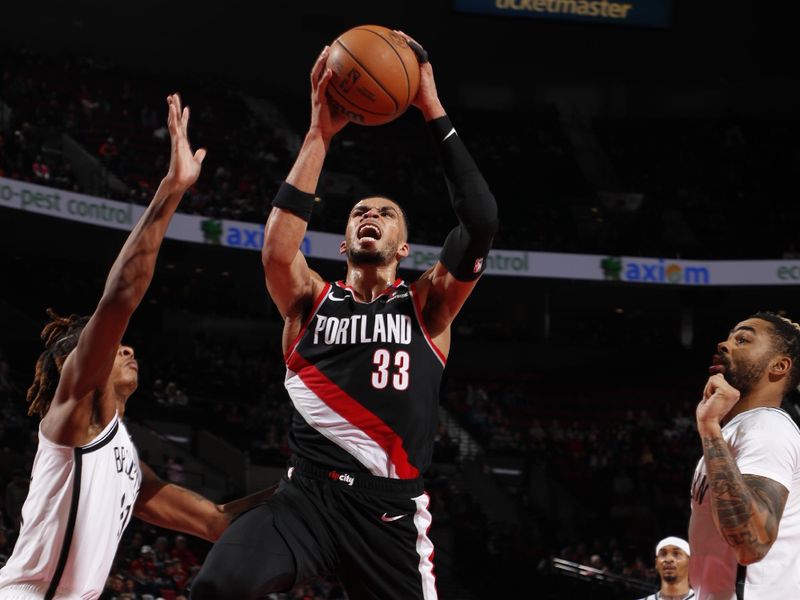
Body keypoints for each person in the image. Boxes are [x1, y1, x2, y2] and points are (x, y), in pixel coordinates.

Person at [192, 33, 498, 600]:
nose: (370, 215)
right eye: (360, 210)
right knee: (218, 586)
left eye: (385, 213)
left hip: (389, 512)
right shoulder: (310, 300)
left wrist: (430, 104)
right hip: (306, 498)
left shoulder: (428, 304)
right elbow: (277, 253)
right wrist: (317, 136)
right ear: (342, 242)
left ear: (405, 248)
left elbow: (480, 221)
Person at [0, 95, 271, 600]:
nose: (126, 349)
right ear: (71, 361)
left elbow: (215, 522)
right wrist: (171, 190)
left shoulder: (122, 453)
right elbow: (121, 296)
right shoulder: (74, 412)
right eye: (110, 344)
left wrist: (306, 486)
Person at [689, 312, 800, 599]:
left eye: (742, 339)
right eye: (728, 337)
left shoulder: (767, 427)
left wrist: (710, 427)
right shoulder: (736, 432)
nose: (724, 345)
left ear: (779, 366)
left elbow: (752, 544)